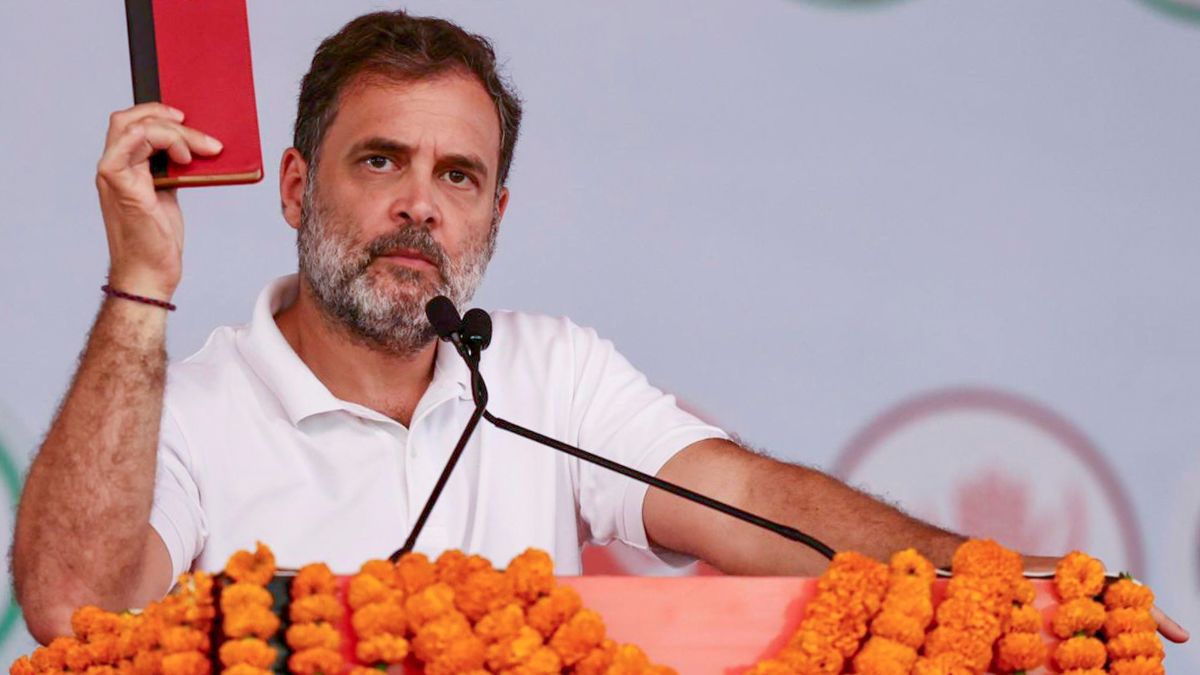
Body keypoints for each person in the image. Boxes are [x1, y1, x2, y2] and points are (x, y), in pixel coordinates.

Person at [10, 10, 1188, 647]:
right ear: (295, 188)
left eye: (459, 176)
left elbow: (757, 506)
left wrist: (1014, 585)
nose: (421, 204)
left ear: (495, 213)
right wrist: (141, 282)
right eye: (381, 161)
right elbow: (72, 611)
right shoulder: (191, 410)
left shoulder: (543, 373)